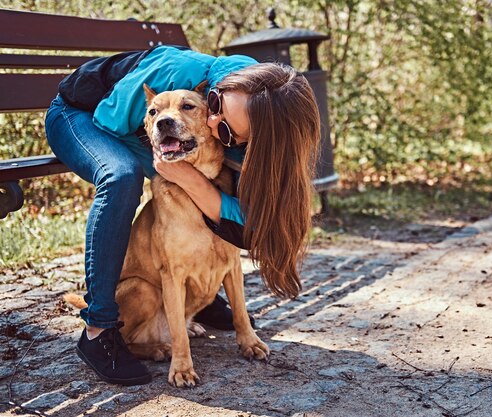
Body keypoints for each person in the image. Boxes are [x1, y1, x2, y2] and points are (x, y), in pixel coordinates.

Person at [45, 45, 320, 386]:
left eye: (229, 133)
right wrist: (174, 172)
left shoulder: (257, 113)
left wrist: (194, 181)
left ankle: (200, 297)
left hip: (176, 142)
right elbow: (109, 125)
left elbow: (252, 224)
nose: (212, 120)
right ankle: (99, 326)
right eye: (215, 106)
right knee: (122, 176)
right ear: (225, 88)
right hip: (82, 116)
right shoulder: (173, 74)